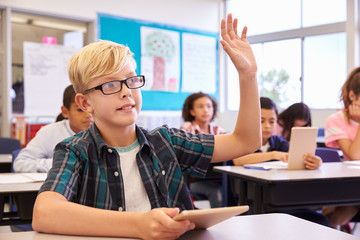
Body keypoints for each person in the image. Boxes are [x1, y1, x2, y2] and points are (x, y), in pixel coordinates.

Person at [32, 13, 261, 239]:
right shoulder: (74, 151)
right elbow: (44, 214)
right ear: (85, 102)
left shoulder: (165, 142)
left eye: (132, 80)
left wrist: (248, 75)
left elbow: (246, 141)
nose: (126, 92)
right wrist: (139, 224)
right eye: (110, 84)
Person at [13, 85, 93, 173]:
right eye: (80, 110)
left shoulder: (106, 132)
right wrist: (60, 163)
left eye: (91, 108)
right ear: (65, 112)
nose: (88, 115)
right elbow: (20, 163)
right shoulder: (49, 132)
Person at [233, 97, 321, 169]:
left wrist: (316, 162)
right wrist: (273, 154)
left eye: (272, 122)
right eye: (261, 121)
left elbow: (295, 155)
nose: (267, 126)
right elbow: (238, 160)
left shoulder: (278, 142)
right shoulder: (243, 141)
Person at [322, 67, 360, 229]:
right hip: (350, 186)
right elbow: (354, 155)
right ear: (352, 96)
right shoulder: (336, 120)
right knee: (353, 203)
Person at [181, 92, 226, 208]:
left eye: (209, 106)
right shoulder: (187, 128)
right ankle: (219, 224)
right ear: (192, 111)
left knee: (234, 189)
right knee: (217, 191)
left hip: (218, 177)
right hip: (194, 181)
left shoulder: (219, 130)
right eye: (200, 107)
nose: (206, 110)